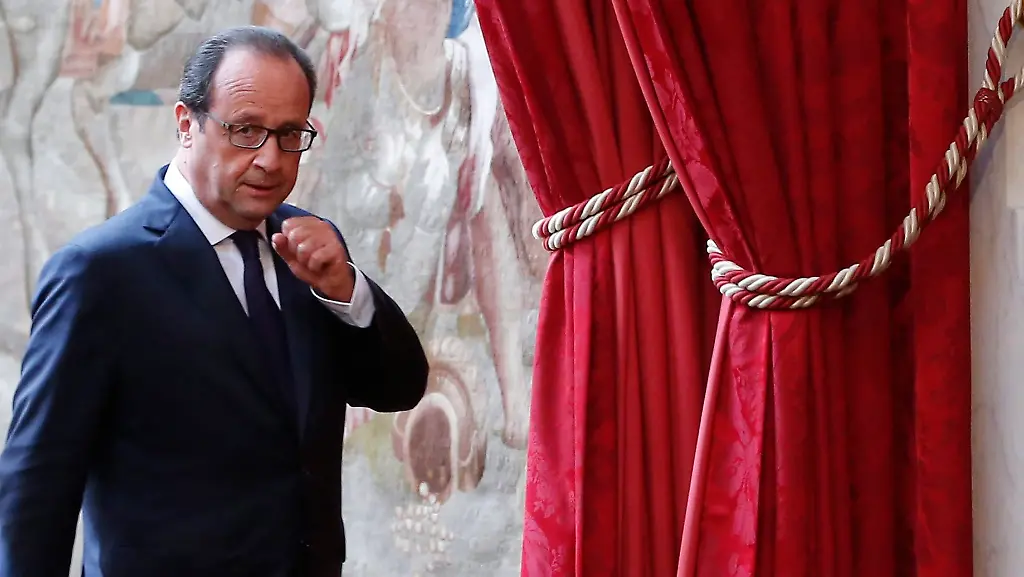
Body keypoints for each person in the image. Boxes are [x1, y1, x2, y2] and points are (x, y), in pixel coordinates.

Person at [0, 25, 429, 577]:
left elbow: (398, 387)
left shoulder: (309, 246)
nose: (271, 159)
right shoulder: (99, 272)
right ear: (186, 123)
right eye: (246, 130)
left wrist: (345, 290)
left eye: (289, 134)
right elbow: (37, 486)